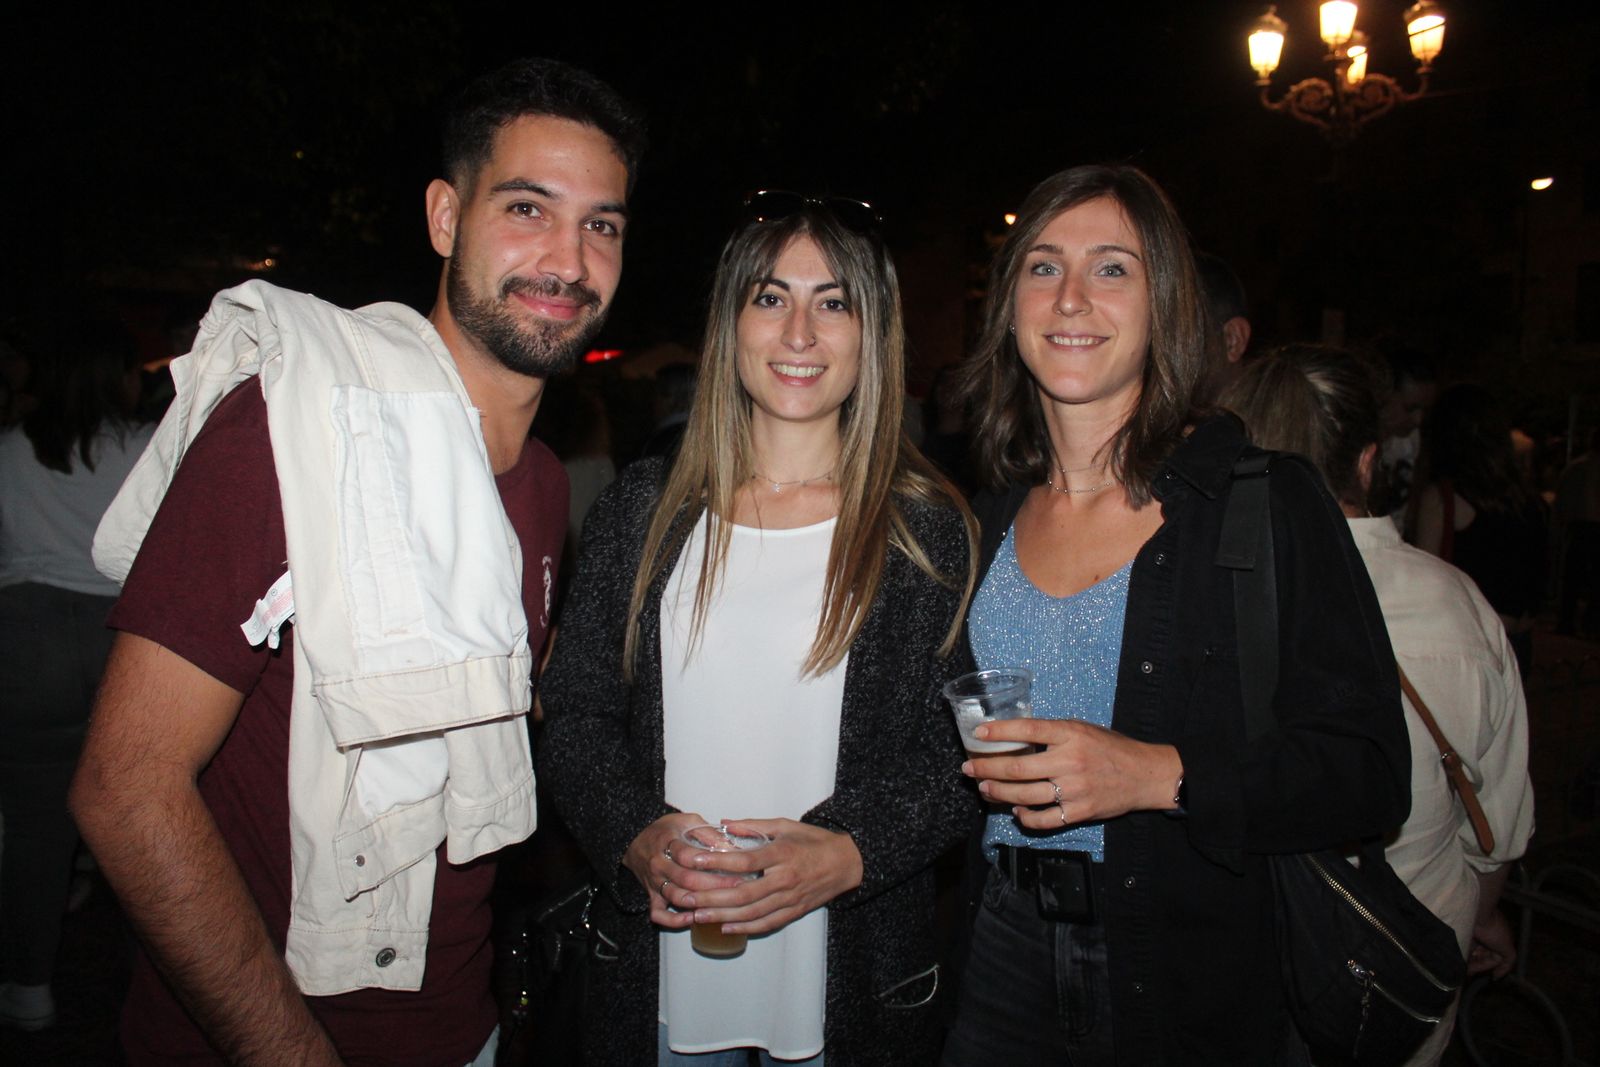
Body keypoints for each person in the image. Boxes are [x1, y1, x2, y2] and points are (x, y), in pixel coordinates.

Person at [67, 59, 645, 1066]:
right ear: (443, 215)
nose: (568, 259)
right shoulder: (292, 434)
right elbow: (126, 787)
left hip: (459, 1026)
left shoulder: (546, 483)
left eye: (602, 224)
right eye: (526, 208)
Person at [939, 164, 1410, 1067]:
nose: (1071, 296)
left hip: (1181, 962)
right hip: (998, 944)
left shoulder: (1263, 503)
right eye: (1042, 267)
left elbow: (1370, 773)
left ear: (1168, 307)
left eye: (1113, 268)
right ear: (1008, 308)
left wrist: (1160, 775)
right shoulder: (982, 521)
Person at [538, 191, 979, 1065]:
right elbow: (576, 706)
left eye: (834, 302)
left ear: (872, 332)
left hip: (851, 982)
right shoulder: (645, 510)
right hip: (659, 980)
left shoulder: (925, 531)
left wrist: (853, 852)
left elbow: (960, 752)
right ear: (731, 323)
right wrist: (633, 831)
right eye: (771, 297)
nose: (800, 334)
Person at [1222, 344, 1535, 1067]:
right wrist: (1478, 917)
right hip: (1395, 984)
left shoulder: (1199, 599)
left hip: (1243, 985)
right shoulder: (1461, 608)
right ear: (1365, 461)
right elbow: (1498, 825)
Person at [0, 319, 153, 1031]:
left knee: (34, 825)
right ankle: (151, 987)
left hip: (28, 637)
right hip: (124, 637)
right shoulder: (149, 449)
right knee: (146, 814)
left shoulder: (8, 451)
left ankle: (29, 989)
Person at [1412, 383, 1549, 676]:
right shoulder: (1528, 500)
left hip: (1469, 646)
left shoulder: (1444, 497)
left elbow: (1424, 582)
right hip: (1517, 645)